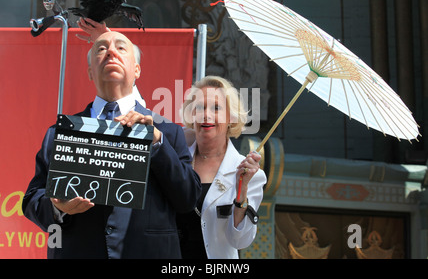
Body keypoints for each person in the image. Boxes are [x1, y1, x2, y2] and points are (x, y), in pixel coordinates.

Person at [22, 31, 202, 258]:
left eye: (121, 48)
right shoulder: (60, 133)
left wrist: (156, 144)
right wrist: (58, 207)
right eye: (101, 48)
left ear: (137, 69)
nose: (111, 52)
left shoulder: (168, 133)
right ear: (90, 71)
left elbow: (188, 199)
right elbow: (32, 199)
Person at [121, 75, 267, 259]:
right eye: (199, 107)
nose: (206, 115)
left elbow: (240, 241)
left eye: (216, 108)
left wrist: (242, 189)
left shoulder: (249, 174)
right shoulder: (170, 152)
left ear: (231, 117)